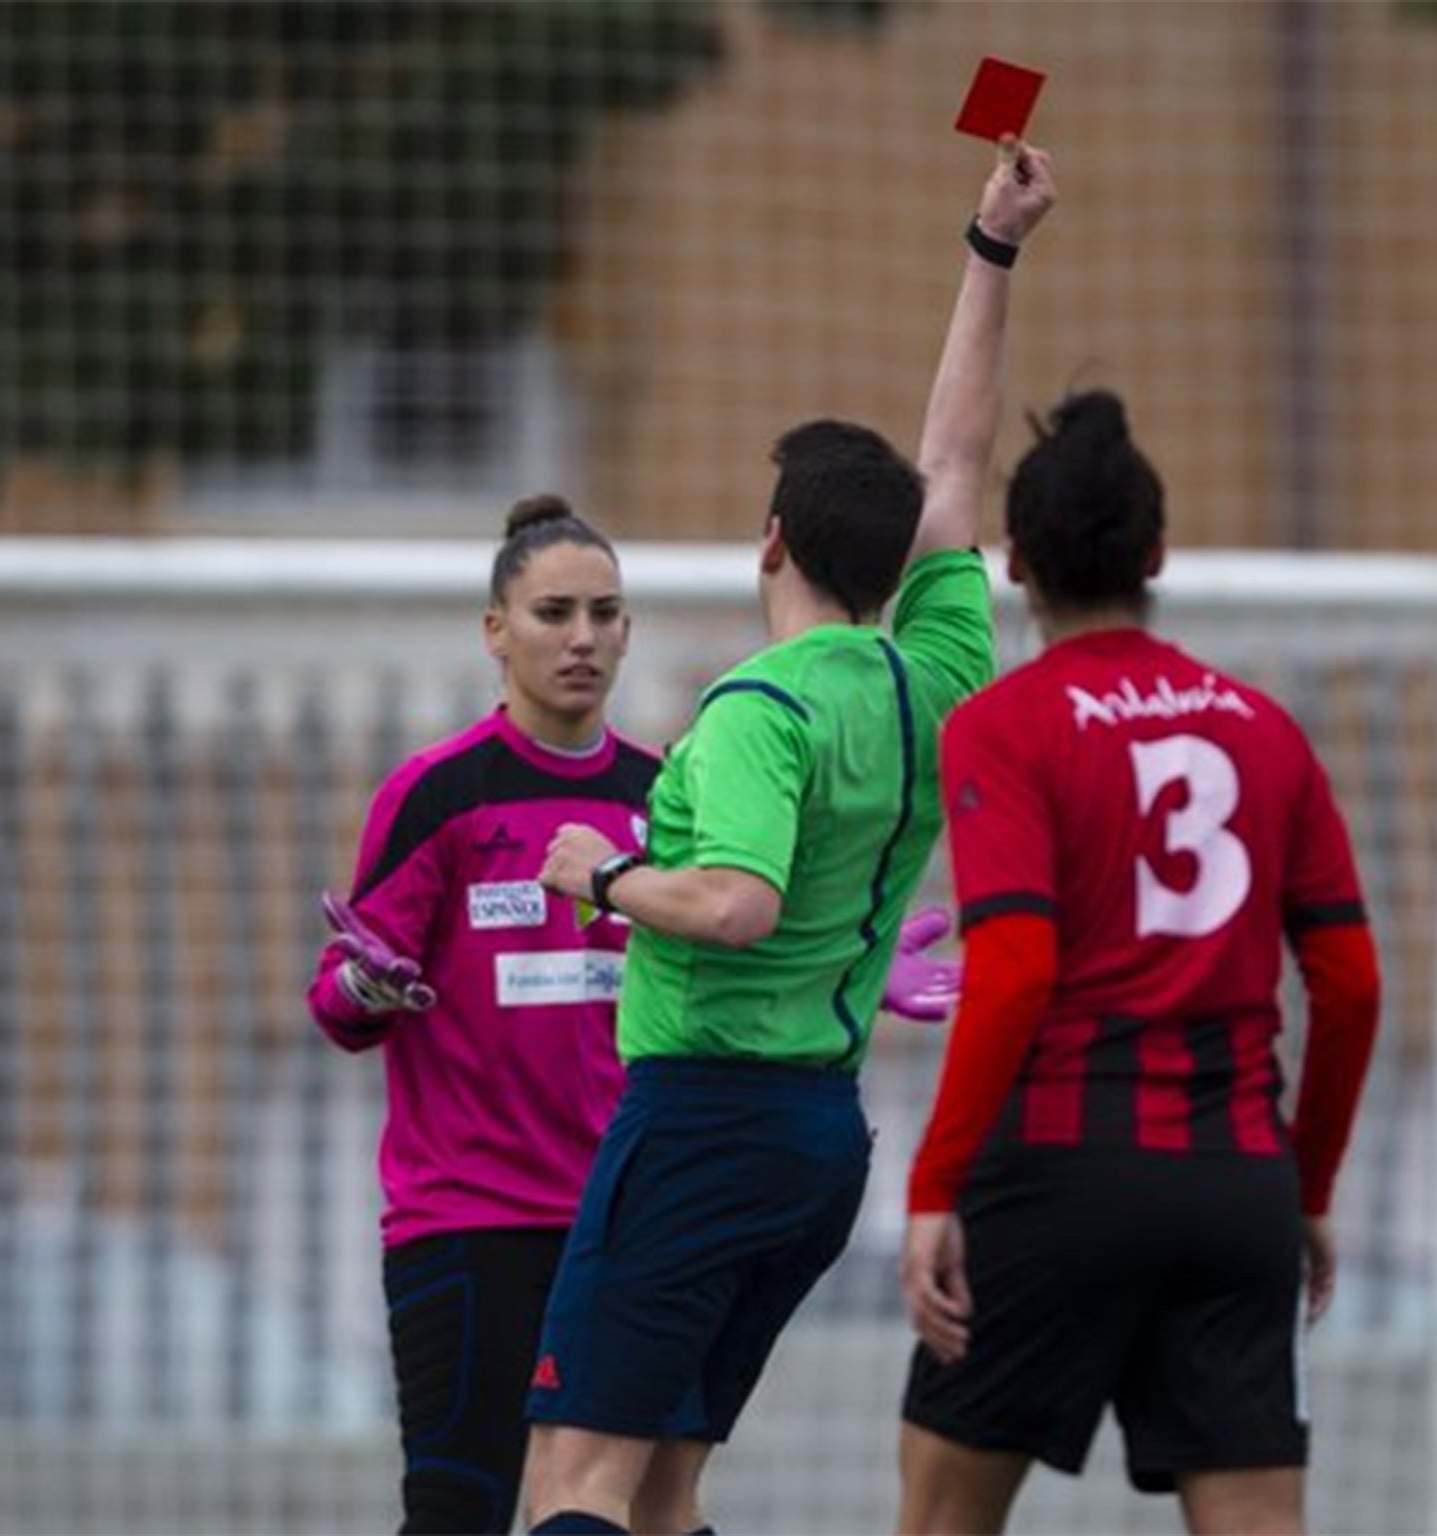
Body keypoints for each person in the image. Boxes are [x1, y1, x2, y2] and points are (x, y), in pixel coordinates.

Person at [517, 137, 1059, 1536]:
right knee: (666, 1490)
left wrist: (608, 873)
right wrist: (989, 251)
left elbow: (742, 901)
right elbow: (956, 457)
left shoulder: (757, 707)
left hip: (702, 1119)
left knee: (569, 1482)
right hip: (821, 1136)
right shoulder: (935, 671)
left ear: (770, 541)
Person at [895, 391, 1385, 1536]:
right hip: (1232, 1176)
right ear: (1155, 553)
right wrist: (1301, 1185)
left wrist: (932, 1187)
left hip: (1057, 1172)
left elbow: (1011, 969)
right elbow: (1352, 987)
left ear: (1014, 565)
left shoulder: (1006, 724)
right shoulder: (1263, 729)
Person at [304, 495, 661, 1536]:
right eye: (554, 612)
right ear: (495, 632)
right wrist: (362, 987)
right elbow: (341, 998)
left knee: (633, 1509)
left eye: (604, 612)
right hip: (468, 1224)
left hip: (625, 1223)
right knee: (460, 1509)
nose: (583, 637)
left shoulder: (667, 793)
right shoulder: (435, 795)